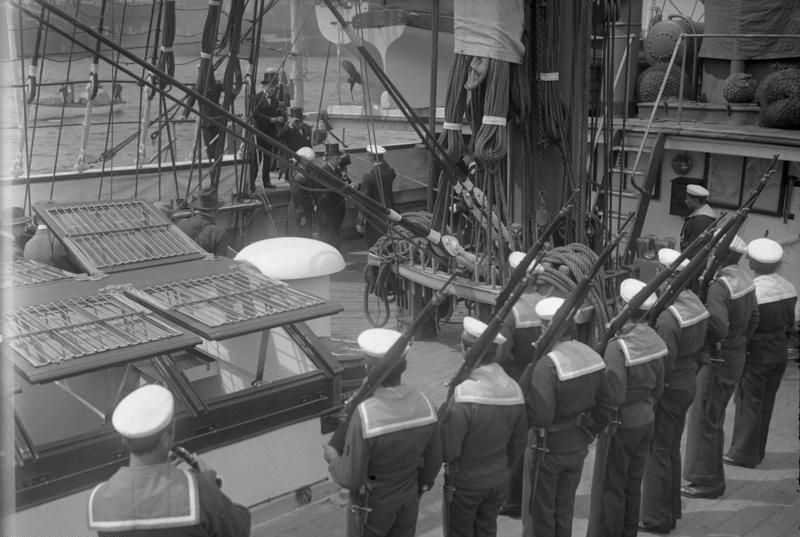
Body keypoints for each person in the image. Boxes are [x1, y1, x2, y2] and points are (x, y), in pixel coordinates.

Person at [87, 384, 251, 536]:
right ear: (166, 439)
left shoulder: (100, 499)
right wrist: (212, 489)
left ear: (125, 440)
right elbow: (239, 530)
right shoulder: (198, 492)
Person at [322, 328, 441, 537]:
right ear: (402, 368)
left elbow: (352, 478)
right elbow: (433, 460)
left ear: (368, 368)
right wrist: (417, 487)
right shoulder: (426, 403)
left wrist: (333, 459)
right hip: (409, 498)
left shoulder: (365, 415)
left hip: (373, 504)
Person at [521, 297, 614, 537]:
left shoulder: (546, 365)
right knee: (564, 509)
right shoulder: (591, 355)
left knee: (541, 513)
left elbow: (541, 416)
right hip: (577, 443)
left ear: (545, 328)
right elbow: (606, 404)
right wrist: (588, 431)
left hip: (548, 448)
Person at [587, 279, 666, 537]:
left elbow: (614, 393)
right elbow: (659, 386)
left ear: (623, 305)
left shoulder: (617, 346)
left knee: (613, 485)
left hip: (621, 424)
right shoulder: (654, 338)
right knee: (633, 483)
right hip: (646, 417)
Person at [682, 235, 759, 498]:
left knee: (705, 420)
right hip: (735, 355)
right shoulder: (746, 280)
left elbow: (718, 326)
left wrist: (698, 329)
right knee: (714, 418)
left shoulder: (719, 286)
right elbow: (754, 319)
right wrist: (738, 343)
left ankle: (705, 481)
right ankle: (711, 478)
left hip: (716, 359)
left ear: (722, 253)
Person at [640, 249, 710, 534]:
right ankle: (670, 510)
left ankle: (657, 518)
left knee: (657, 451)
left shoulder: (669, 317)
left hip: (669, 388)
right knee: (670, 449)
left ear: (663, 274)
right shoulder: (694, 302)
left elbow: (663, 363)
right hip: (687, 382)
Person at [439, 317, 527, 537]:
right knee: (487, 530)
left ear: (466, 349)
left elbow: (449, 449)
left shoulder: (464, 393)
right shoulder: (514, 389)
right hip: (497, 479)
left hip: (465, 482)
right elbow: (518, 443)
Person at [725, 238, 797, 468]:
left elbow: (748, 325)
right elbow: (790, 323)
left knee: (749, 402)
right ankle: (758, 450)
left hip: (757, 353)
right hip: (779, 352)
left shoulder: (754, 291)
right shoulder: (789, 287)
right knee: (767, 401)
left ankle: (743, 453)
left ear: (753, 263)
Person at [497, 251, 556, 518]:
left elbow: (501, 354)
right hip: (543, 376)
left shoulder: (512, 310)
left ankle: (510, 500)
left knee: (513, 441)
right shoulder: (547, 305)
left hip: (515, 379)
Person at [251, 70, 285, 190]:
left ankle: (266, 181)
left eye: (274, 87)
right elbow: (255, 114)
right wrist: (270, 119)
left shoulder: (275, 101)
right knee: (256, 158)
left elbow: (277, 113)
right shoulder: (257, 98)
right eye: (270, 87)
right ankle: (251, 182)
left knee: (267, 158)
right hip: (259, 132)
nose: (272, 90)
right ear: (265, 86)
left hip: (270, 133)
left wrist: (280, 117)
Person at [360, 144, 397, 250]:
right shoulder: (390, 173)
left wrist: (360, 222)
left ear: (370, 157)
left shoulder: (368, 176)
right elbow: (391, 171)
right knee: (388, 244)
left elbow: (364, 201)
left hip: (375, 218)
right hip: (390, 214)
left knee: (374, 245)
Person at [176, 188, 230, 257]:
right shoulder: (220, 233)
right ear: (216, 210)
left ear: (198, 207)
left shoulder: (181, 223)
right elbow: (221, 263)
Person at [316, 143, 349, 251]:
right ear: (329, 159)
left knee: (335, 236)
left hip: (336, 211)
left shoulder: (336, 170)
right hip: (328, 211)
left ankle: (336, 254)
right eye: (336, 159)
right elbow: (333, 189)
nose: (339, 161)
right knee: (328, 237)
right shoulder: (325, 171)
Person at [276, 107, 313, 181]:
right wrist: (289, 125)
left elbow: (309, 144)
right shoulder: (288, 130)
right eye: (297, 121)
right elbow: (279, 135)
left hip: (304, 159)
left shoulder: (306, 129)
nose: (300, 123)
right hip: (292, 158)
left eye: (300, 121)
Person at [289, 146, 317, 238]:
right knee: (303, 234)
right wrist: (301, 215)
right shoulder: (299, 175)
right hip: (301, 209)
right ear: (304, 161)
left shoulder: (301, 171)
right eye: (310, 161)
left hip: (306, 208)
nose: (311, 163)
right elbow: (296, 195)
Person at [679, 184, 716, 251]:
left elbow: (695, 249)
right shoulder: (699, 216)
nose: (685, 201)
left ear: (696, 201)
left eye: (687, 198)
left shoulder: (701, 221)